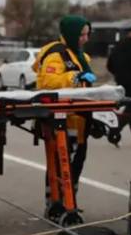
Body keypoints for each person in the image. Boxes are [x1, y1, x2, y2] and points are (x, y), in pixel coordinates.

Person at [34, 15, 96, 220]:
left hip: (79, 120)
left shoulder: (81, 56)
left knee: (76, 162)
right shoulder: (55, 55)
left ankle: (70, 201)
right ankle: (56, 204)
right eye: (82, 35)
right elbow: (48, 82)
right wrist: (75, 77)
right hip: (62, 120)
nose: (85, 39)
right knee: (61, 163)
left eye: (87, 34)